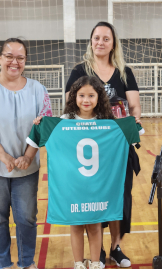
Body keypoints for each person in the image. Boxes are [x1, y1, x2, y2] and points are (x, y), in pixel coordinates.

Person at [0, 38, 52, 269]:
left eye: (20, 57)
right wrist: (4, 156)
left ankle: (27, 263)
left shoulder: (38, 89)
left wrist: (27, 156)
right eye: (9, 56)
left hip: (26, 167)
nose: (14, 62)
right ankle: (4, 265)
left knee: (26, 218)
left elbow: (42, 127)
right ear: (0, 58)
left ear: (25, 60)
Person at [65, 21, 141, 268]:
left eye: (106, 38)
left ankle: (115, 247)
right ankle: (95, 251)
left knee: (119, 195)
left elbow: (134, 107)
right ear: (91, 41)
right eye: (96, 38)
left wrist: (134, 122)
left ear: (113, 43)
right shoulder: (80, 70)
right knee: (93, 197)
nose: (100, 42)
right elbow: (69, 106)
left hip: (118, 148)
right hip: (90, 148)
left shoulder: (124, 72)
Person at [30, 76, 118, 269]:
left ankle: (95, 263)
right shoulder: (64, 121)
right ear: (73, 97)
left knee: (95, 225)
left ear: (99, 97)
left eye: (91, 95)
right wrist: (41, 122)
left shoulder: (107, 122)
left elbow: (131, 133)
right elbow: (40, 135)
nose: (86, 100)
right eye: (81, 95)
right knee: (76, 225)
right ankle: (78, 263)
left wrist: (133, 122)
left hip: (96, 185)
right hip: (73, 185)